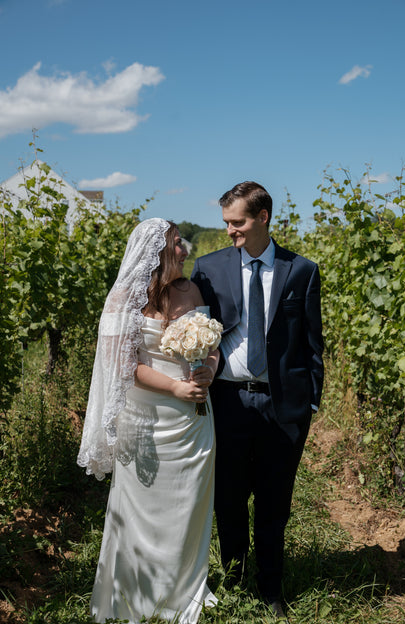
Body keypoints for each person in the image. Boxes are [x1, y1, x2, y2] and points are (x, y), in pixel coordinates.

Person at [191, 182, 324, 620]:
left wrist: (311, 404)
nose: (230, 230)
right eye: (226, 222)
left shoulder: (301, 270)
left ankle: (270, 589)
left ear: (263, 217)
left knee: (273, 505)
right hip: (227, 403)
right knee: (228, 502)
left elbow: (311, 343)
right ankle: (233, 580)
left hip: (282, 408)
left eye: (238, 222)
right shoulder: (208, 269)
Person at [77, 218, 220, 624]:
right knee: (141, 505)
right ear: (157, 251)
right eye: (176, 244)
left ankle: (182, 590)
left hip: (192, 420)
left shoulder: (189, 289)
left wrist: (208, 369)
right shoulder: (123, 298)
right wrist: (174, 389)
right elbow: (121, 366)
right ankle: (135, 592)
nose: (184, 249)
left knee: (188, 504)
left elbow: (212, 342)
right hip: (145, 420)